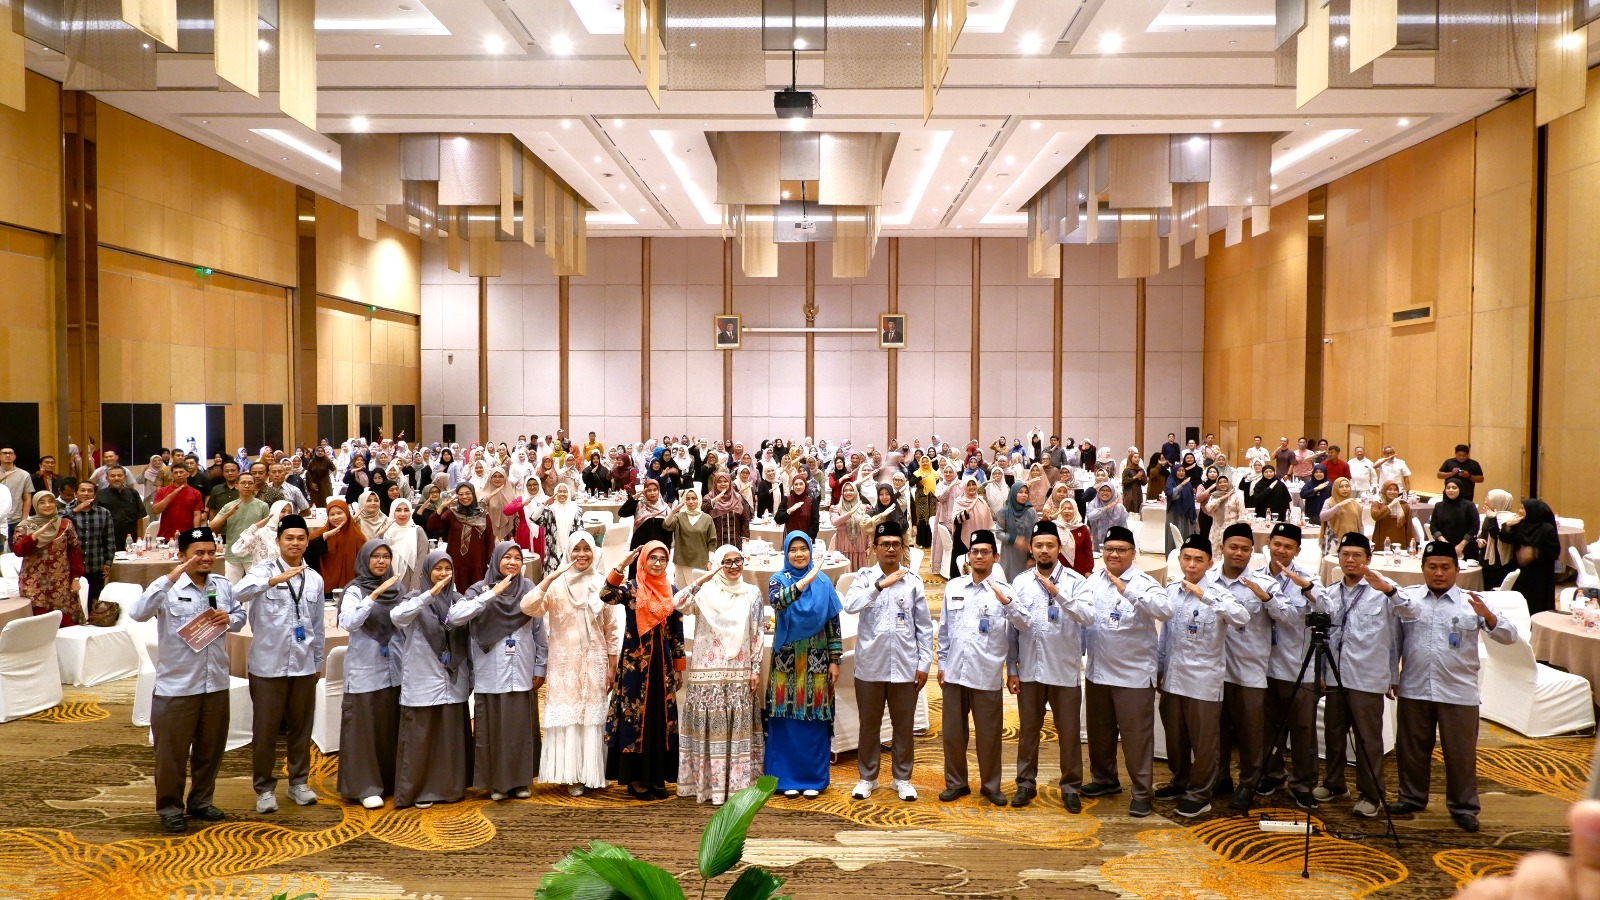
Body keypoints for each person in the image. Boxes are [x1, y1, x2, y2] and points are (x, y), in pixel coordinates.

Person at [1388, 541, 1518, 831]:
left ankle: (1463, 807)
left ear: (1457, 570)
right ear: (1422, 569)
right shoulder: (1409, 600)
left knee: (1460, 753)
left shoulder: (1472, 602)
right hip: (1415, 685)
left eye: (1445, 567)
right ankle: (1411, 797)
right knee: (1410, 748)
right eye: (1432, 567)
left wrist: (1489, 616)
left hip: (1458, 690)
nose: (1438, 573)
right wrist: (1392, 676)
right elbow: (1394, 641)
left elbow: (1510, 636)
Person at [130, 527, 246, 832]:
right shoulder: (166, 588)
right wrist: (168, 578)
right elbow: (138, 613)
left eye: (210, 552)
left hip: (216, 681)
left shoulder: (222, 585)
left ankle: (201, 801)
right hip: (177, 685)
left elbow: (240, 615)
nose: (206, 558)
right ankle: (170, 807)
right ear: (182, 556)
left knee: (211, 749)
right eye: (198, 553)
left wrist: (230, 619)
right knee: (171, 754)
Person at [1317, 532, 1413, 817]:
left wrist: (1390, 590)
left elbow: (1410, 614)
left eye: (1357, 555)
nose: (1350, 560)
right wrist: (1322, 672)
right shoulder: (1331, 592)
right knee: (1333, 733)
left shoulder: (1383, 590)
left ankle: (1371, 795)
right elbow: (1325, 637)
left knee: (1367, 739)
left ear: (1368, 559)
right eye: (1345, 554)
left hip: (1367, 676)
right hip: (1336, 675)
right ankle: (1334, 784)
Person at [235, 515, 326, 814]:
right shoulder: (262, 571)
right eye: (289, 538)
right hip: (267, 664)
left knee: (301, 728)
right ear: (278, 541)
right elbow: (238, 593)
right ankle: (264, 788)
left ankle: (298, 782)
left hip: (302, 664)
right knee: (266, 730)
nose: (295, 543)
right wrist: (272, 581)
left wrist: (317, 662)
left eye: (301, 538)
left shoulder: (314, 578)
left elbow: (317, 626)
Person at [1155, 534, 1250, 817]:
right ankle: (1181, 780)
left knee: (1204, 741)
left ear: (1210, 563)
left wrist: (1204, 596)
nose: (1192, 564)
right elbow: (1165, 635)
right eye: (1187, 558)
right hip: (1173, 675)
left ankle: (1200, 793)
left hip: (1203, 680)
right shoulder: (1172, 590)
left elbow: (1241, 618)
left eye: (1198, 559)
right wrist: (1160, 668)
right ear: (1179, 560)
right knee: (1175, 736)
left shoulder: (1218, 592)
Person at [1079, 525, 1170, 817]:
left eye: (1120, 550)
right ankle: (1105, 780)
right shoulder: (1094, 580)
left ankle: (1142, 791)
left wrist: (1128, 591)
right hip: (1097, 671)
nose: (1114, 555)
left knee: (1136, 738)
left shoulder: (1144, 582)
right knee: (1100, 733)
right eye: (1109, 550)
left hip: (1133, 675)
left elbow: (1164, 610)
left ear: (1134, 553)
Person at [843, 521, 933, 802]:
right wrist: (880, 585)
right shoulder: (863, 577)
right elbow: (850, 604)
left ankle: (902, 778)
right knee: (869, 724)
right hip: (870, 664)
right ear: (874, 549)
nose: (891, 549)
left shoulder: (914, 582)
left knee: (903, 725)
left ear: (903, 548)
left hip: (905, 665)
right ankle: (867, 778)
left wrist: (924, 664)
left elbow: (925, 627)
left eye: (896, 544)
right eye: (885, 545)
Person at [451, 541, 548, 801]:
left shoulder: (528, 588)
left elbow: (539, 629)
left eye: (518, 558)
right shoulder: (478, 589)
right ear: (495, 560)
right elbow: (456, 616)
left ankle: (520, 781)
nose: (513, 562)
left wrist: (541, 664)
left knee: (519, 729)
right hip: (490, 669)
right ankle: (496, 782)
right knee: (493, 728)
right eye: (507, 557)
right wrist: (490, 596)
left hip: (522, 666)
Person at [1005, 521, 1092, 811]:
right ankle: (1025, 784)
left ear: (1058, 548)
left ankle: (1070, 788)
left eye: (1050, 545)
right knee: (1028, 730)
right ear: (1031, 548)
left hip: (1064, 669)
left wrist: (1058, 592)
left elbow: (1088, 617)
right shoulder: (1020, 582)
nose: (1044, 550)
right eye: (1039, 545)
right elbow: (1012, 630)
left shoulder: (1076, 582)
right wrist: (1012, 669)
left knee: (1069, 733)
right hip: (1030, 669)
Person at [934, 529, 1025, 806]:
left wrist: (1012, 670)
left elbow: (1018, 630)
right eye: (975, 552)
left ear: (995, 557)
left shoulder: (1005, 591)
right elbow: (946, 630)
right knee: (952, 733)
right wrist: (942, 663)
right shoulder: (954, 587)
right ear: (968, 556)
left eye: (985, 552)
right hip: (954, 672)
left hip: (986, 672)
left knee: (989, 735)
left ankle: (990, 785)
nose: (979, 556)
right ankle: (957, 783)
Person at [524, 532, 619, 796]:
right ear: (567, 552)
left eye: (586, 549)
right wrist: (550, 577)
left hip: (595, 660)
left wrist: (612, 666)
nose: (581, 554)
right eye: (575, 549)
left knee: (592, 716)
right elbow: (529, 607)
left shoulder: (603, 584)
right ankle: (570, 774)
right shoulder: (556, 585)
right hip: (564, 662)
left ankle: (592, 771)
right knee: (569, 716)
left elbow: (611, 629)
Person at [672, 545, 764, 805]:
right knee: (709, 730)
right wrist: (704, 578)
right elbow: (676, 603)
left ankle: (735, 788)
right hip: (706, 674)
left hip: (738, 670)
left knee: (736, 729)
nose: (734, 566)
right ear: (717, 564)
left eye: (738, 561)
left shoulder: (752, 593)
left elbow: (756, 634)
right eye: (727, 562)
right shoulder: (704, 593)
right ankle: (707, 786)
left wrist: (755, 668)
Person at [600, 540, 687, 799]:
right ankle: (635, 777)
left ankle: (657, 776)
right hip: (635, 667)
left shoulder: (671, 591)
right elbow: (606, 594)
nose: (657, 563)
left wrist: (679, 667)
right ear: (644, 560)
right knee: (635, 718)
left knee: (660, 718)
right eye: (653, 558)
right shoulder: (632, 589)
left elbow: (677, 631)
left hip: (663, 665)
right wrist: (621, 565)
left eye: (662, 559)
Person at [391, 551, 473, 809]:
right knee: (422, 735)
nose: (442, 574)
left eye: (447, 569)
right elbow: (397, 618)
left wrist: (470, 675)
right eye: (437, 568)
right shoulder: (414, 599)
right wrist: (429, 595)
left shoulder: (459, 601)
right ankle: (422, 789)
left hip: (453, 678)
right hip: (422, 677)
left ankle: (450, 787)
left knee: (449, 734)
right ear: (427, 572)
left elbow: (468, 640)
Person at [764, 531, 843, 799]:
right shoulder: (778, 580)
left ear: (810, 551)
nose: (799, 554)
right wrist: (804, 582)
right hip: (786, 663)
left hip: (816, 661)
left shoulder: (823, 583)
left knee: (814, 717)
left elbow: (833, 624)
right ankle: (784, 778)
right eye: (793, 550)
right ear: (785, 553)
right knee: (785, 717)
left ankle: (813, 778)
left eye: (803, 549)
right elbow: (777, 601)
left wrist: (835, 660)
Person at [1255, 522, 1324, 810]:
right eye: (1277, 544)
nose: (1281, 551)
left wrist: (1306, 588)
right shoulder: (1255, 576)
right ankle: (1271, 774)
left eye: (1288, 547)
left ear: (1297, 550)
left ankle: (1303, 783)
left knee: (1303, 731)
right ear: (1268, 543)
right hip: (1262, 666)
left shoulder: (1308, 578)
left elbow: (1327, 608)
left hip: (1298, 667)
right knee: (1267, 728)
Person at [1208, 523, 1273, 810]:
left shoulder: (1263, 584)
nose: (1238, 553)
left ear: (1252, 552)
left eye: (1245, 549)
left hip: (1249, 669)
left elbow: (1284, 618)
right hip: (1214, 668)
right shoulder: (1206, 580)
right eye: (1233, 547)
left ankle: (1249, 782)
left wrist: (1267, 598)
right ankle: (1220, 777)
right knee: (1216, 729)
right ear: (1221, 548)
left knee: (1250, 732)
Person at [337, 540, 405, 809]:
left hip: (395, 669)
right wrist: (374, 596)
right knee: (365, 729)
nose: (381, 561)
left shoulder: (398, 588)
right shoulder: (355, 589)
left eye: (386, 556)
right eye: (375, 556)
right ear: (364, 559)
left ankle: (391, 782)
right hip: (365, 669)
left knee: (390, 725)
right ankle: (366, 786)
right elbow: (349, 622)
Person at [16, 490, 110, 627]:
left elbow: (74, 552)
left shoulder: (65, 524)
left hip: (61, 581)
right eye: (42, 502)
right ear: (35, 505)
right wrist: (36, 535)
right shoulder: (25, 526)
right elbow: (19, 551)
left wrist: (76, 578)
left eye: (50, 502)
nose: (47, 505)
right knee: (41, 622)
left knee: (66, 621)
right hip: (33, 581)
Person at [1499, 498, 1561, 614]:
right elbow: (1506, 538)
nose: (1520, 510)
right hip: (1522, 571)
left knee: (1538, 604)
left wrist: (1534, 553)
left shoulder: (1547, 529)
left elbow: (1554, 552)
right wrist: (1507, 525)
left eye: (1523, 508)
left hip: (1540, 573)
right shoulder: (1521, 525)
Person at [429, 484, 491, 592]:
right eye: (461, 494)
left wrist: (489, 562)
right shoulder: (452, 513)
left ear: (473, 494)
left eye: (468, 493)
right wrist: (442, 507)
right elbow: (432, 525)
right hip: (456, 562)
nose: (464, 497)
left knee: (476, 595)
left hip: (477, 563)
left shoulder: (483, 515)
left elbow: (489, 540)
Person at [65, 479, 116, 610]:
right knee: (73, 601)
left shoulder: (104, 513)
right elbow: (56, 523)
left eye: (90, 491)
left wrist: (108, 562)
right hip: (72, 566)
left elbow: (109, 539)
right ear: (75, 493)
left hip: (95, 563)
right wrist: (76, 510)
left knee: (94, 602)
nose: (86, 493)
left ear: (94, 494)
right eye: (82, 490)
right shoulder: (66, 512)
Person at [209, 473, 269, 582]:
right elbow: (211, 528)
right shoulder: (228, 506)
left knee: (255, 589)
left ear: (254, 486)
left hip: (254, 555)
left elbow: (267, 531)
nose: (246, 486)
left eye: (250, 483)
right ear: (236, 486)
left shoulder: (262, 506)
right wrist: (228, 514)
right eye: (243, 483)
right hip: (233, 555)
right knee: (231, 590)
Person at [304, 499, 362, 599]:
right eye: (332, 514)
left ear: (347, 513)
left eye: (339, 513)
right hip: (324, 589)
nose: (336, 517)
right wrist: (324, 537)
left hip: (352, 589)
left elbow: (364, 562)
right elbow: (306, 555)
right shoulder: (318, 535)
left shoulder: (358, 536)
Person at [663, 488, 717, 582]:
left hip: (699, 563)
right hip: (681, 562)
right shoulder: (679, 516)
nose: (691, 501)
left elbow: (712, 542)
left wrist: (710, 561)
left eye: (693, 498)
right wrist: (672, 512)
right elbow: (667, 525)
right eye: (688, 499)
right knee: (681, 593)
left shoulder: (707, 519)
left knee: (696, 593)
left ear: (699, 499)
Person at [1475, 489, 1518, 592]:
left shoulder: (1509, 519)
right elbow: (1484, 532)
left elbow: (1498, 536)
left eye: (1488, 499)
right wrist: (1479, 539)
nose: (1485, 501)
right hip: (1486, 558)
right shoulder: (1489, 515)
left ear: (1498, 502)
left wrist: (1492, 519)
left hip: (1499, 562)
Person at [151, 463, 205, 541]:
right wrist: (171, 495)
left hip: (188, 536)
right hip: (166, 536)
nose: (179, 475)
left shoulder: (196, 493)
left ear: (188, 474)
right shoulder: (162, 491)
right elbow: (156, 510)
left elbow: (197, 515)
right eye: (175, 473)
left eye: (181, 472)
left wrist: (196, 535)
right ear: (172, 475)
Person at [993, 483, 1037, 580]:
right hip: (1010, 553)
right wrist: (1014, 540)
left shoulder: (1031, 511)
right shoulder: (1004, 512)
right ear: (1013, 493)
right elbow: (999, 533)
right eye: (1020, 492)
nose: (1024, 495)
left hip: (1027, 553)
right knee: (1009, 580)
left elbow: (1036, 534)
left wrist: (1032, 557)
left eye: (1026, 492)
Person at [1430, 478, 1481, 560]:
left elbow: (1474, 527)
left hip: (1466, 549)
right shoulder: (1439, 506)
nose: (1450, 490)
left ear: (1460, 489)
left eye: (1454, 488)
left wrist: (1461, 546)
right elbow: (1433, 526)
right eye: (1448, 487)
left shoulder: (1469, 506)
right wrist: (1443, 541)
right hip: (1443, 548)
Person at [96, 466, 145, 549]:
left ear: (125, 477)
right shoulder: (100, 494)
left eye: (119, 475)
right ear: (107, 478)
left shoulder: (133, 493)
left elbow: (140, 517)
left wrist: (139, 539)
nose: (116, 478)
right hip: (109, 539)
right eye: (112, 476)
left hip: (131, 538)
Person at [707, 471, 753, 548]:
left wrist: (745, 537)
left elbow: (745, 519)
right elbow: (702, 511)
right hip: (715, 542)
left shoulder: (738, 498)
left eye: (725, 481)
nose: (723, 484)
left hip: (735, 541)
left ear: (730, 483)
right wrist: (714, 501)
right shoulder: (709, 498)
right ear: (715, 483)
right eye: (719, 482)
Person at [830, 481, 871, 569]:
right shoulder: (836, 508)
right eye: (845, 490)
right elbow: (835, 522)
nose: (848, 493)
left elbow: (868, 529)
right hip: (844, 548)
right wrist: (850, 513)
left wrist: (869, 546)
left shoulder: (864, 508)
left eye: (851, 490)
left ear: (856, 492)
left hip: (860, 548)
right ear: (842, 493)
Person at [1370, 481, 1413, 551]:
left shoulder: (1404, 505)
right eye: (1389, 489)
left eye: (1395, 490)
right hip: (1382, 540)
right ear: (1384, 490)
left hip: (1400, 541)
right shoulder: (1377, 504)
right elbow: (1375, 516)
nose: (1392, 492)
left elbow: (1408, 527)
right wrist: (1391, 505)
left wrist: (1409, 545)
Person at [1085, 482, 1128, 550]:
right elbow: (1090, 517)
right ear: (1099, 492)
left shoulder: (1120, 508)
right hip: (1096, 542)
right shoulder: (1093, 504)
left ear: (1113, 492)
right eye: (1102, 490)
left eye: (1108, 490)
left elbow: (1124, 527)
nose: (1105, 493)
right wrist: (1106, 508)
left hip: (1114, 541)